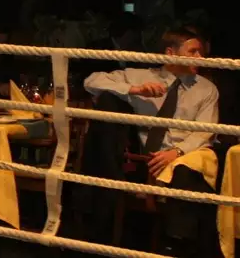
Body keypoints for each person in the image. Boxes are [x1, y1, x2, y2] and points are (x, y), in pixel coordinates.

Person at [81, 28, 219, 256]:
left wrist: (177, 152)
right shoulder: (143, 75)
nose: (200, 57)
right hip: (145, 159)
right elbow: (91, 81)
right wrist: (134, 89)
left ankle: (176, 244)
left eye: (201, 52)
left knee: (189, 171)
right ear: (170, 53)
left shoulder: (206, 89)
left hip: (183, 155)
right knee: (107, 106)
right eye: (193, 51)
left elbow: (206, 131)